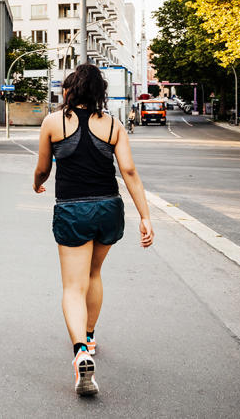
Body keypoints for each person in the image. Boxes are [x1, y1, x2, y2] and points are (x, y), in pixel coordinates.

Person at [32, 64, 155, 396]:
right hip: (108, 208)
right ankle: (89, 334)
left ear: (69, 90)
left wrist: (37, 183)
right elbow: (128, 171)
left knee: (73, 287)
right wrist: (144, 216)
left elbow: (43, 168)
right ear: (100, 93)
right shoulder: (114, 126)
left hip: (73, 210)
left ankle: (80, 352)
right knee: (94, 275)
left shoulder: (53, 123)